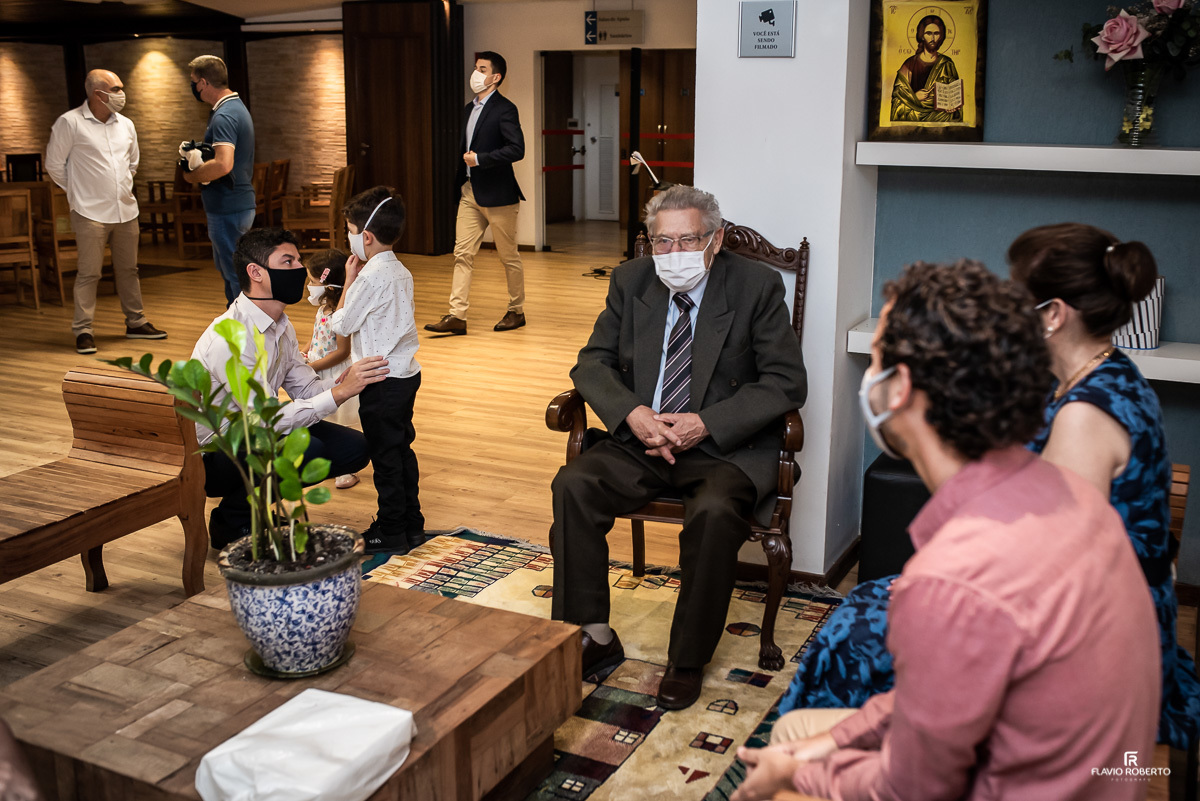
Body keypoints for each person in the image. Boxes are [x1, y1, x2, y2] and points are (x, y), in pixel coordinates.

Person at [733, 260, 1160, 801]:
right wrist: (835, 739)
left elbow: (912, 786)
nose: (871, 376)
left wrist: (795, 775)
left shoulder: (950, 578)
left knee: (776, 774)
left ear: (901, 386)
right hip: (1091, 772)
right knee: (799, 734)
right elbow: (941, 694)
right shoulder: (1072, 496)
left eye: (879, 357)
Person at [550, 185, 807, 711]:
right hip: (641, 439)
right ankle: (593, 635)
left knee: (714, 514)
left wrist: (704, 424)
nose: (672, 254)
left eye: (686, 240)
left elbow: (785, 381)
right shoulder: (630, 280)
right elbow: (591, 363)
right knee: (574, 484)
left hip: (721, 449)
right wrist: (632, 414)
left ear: (714, 240)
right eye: (660, 242)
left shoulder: (755, 286)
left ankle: (687, 659)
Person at [194, 228, 386, 550]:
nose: (299, 269)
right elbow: (264, 420)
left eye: (298, 259)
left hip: (253, 432)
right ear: (256, 273)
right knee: (307, 450)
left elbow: (305, 388)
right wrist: (337, 394)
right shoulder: (232, 336)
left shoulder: (281, 324)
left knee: (354, 448)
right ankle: (234, 519)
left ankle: (255, 507)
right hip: (216, 452)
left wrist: (345, 382)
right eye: (288, 261)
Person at [45, 68, 167, 355]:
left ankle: (136, 323)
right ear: (97, 93)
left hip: (126, 210)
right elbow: (54, 165)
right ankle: (84, 330)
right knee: (89, 273)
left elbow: (132, 164)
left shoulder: (126, 124)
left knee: (129, 269)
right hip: (89, 213)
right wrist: (79, 192)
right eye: (116, 89)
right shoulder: (70, 123)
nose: (121, 94)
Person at [331, 187, 424, 555]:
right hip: (405, 375)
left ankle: (390, 530)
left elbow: (341, 323)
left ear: (365, 236)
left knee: (385, 458)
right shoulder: (401, 271)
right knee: (401, 450)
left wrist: (349, 280)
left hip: (379, 381)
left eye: (349, 231)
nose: (349, 239)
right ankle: (411, 524)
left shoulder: (369, 278)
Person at [425, 51, 526, 336]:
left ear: (496, 77)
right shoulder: (468, 108)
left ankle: (516, 310)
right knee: (462, 254)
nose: (476, 73)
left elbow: (517, 149)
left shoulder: (505, 109)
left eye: (482, 69)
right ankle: (457, 315)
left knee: (508, 257)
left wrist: (481, 158)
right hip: (470, 192)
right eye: (475, 68)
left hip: (499, 195)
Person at [183, 54, 255, 306]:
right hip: (233, 203)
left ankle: (241, 337)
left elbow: (224, 164)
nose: (193, 87)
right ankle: (240, 333)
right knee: (232, 270)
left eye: (193, 82)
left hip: (228, 205)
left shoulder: (225, 114)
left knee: (234, 274)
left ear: (203, 83)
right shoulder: (234, 108)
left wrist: (192, 175)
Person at [303, 249, 360, 490]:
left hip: (333, 372)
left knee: (339, 420)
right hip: (317, 368)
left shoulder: (339, 314)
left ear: (328, 284)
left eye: (313, 281)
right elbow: (316, 336)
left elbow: (342, 352)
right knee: (321, 417)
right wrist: (304, 353)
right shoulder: (323, 308)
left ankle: (344, 468)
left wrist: (312, 366)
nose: (308, 286)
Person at [890, 14, 963, 122]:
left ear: (941, 36)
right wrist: (915, 97)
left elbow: (955, 98)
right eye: (929, 33)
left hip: (941, 117)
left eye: (936, 34)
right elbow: (898, 98)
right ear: (922, 36)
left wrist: (952, 107)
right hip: (914, 115)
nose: (932, 38)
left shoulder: (947, 64)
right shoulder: (909, 64)